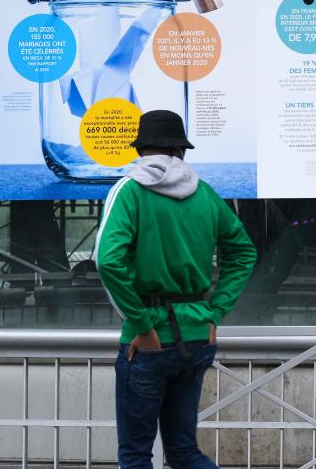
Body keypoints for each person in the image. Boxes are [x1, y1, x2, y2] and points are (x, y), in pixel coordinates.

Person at [96, 110, 257, 469]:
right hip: (198, 333)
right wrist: (215, 312)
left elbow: (106, 260)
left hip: (149, 336)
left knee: (136, 454)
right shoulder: (205, 193)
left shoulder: (130, 190)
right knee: (183, 451)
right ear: (180, 150)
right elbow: (244, 251)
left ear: (141, 149)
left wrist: (140, 325)